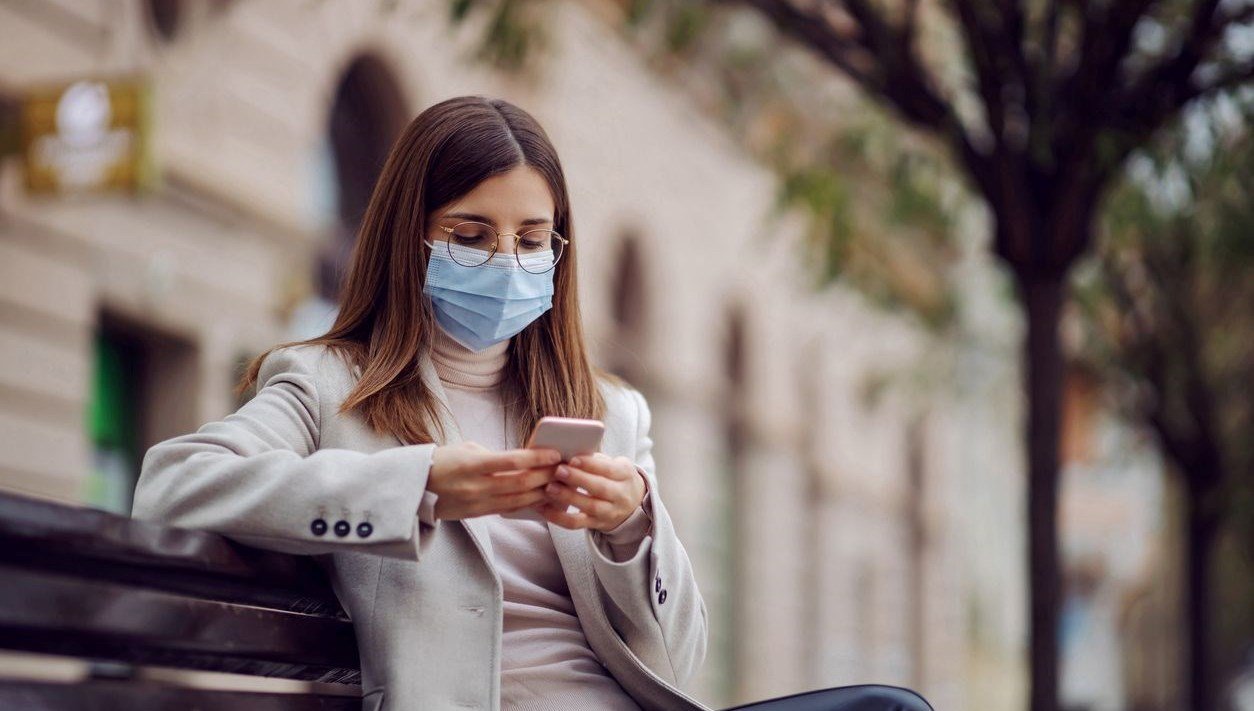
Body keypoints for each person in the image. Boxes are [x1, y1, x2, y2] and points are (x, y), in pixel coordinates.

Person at [132, 95, 935, 711]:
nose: (506, 261)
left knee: (891, 707)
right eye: (472, 235)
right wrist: (419, 487)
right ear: (408, 237)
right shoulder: (325, 381)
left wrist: (631, 525)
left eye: (530, 238)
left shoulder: (612, 413)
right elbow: (172, 485)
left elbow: (678, 659)